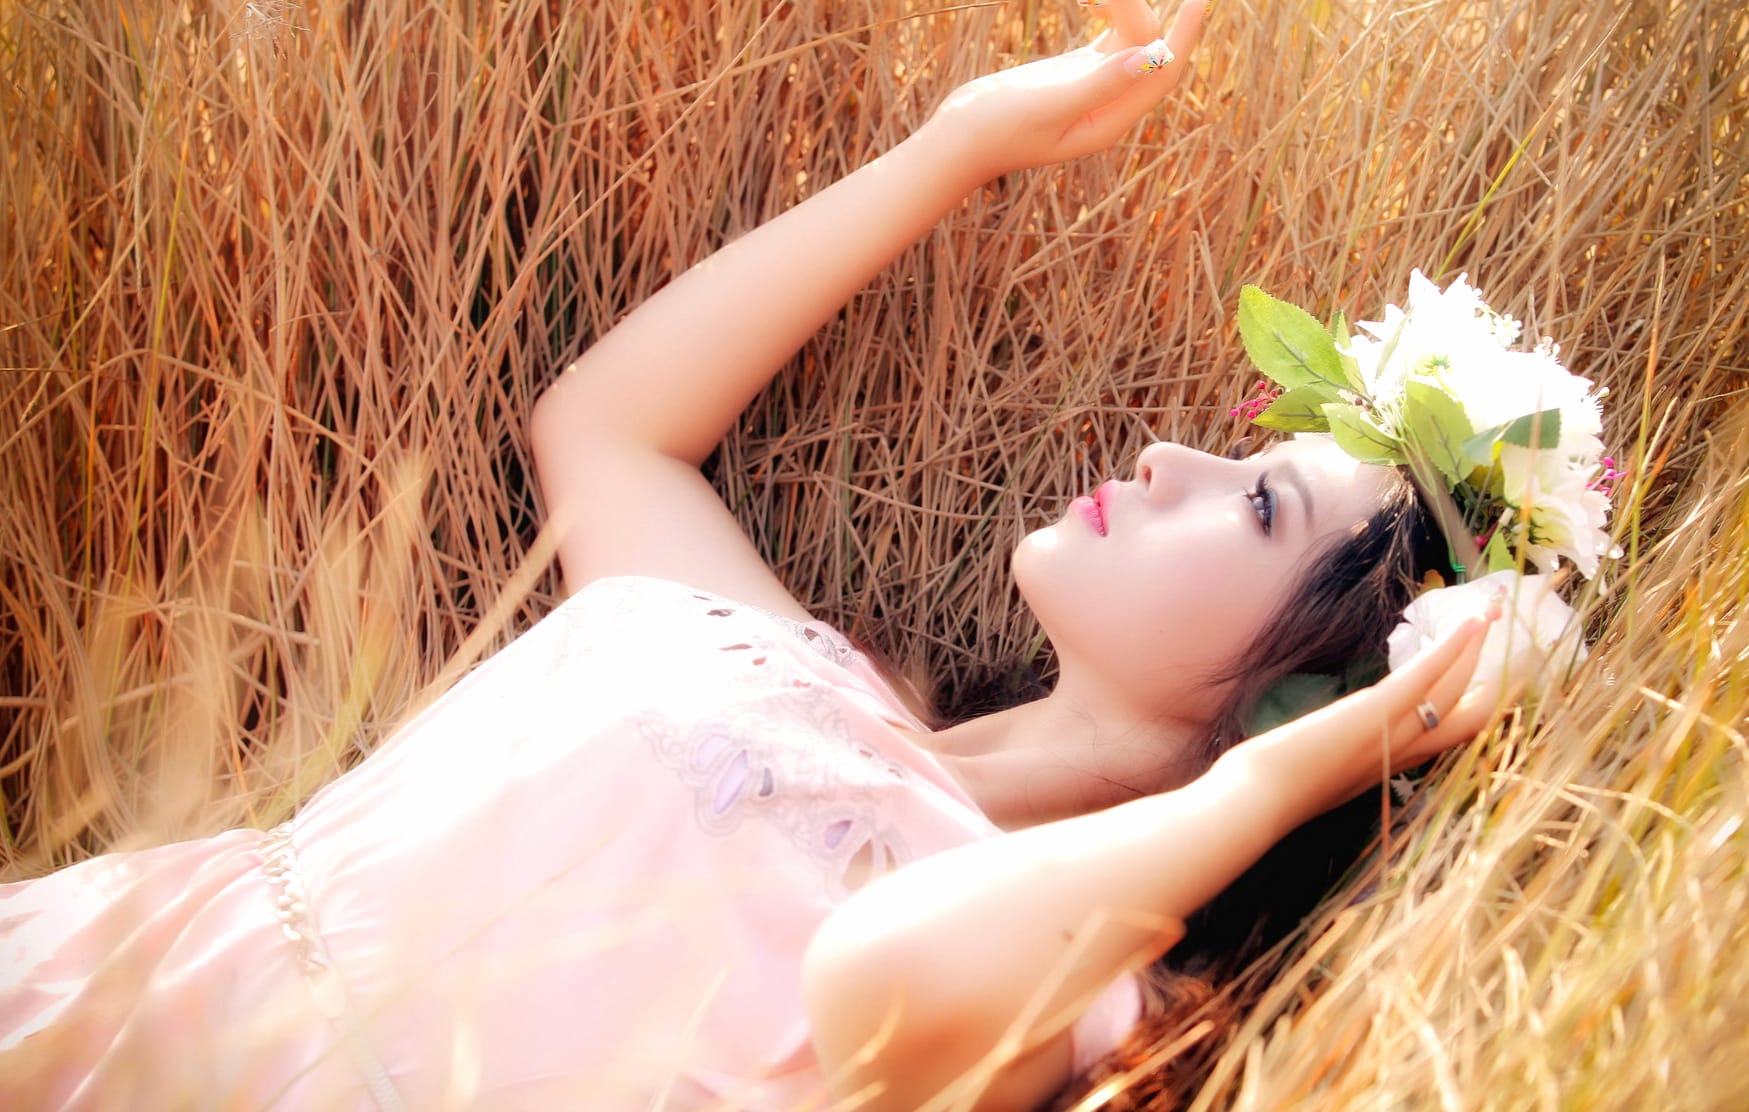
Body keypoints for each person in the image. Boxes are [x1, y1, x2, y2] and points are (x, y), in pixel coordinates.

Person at [1, 2, 1520, 1108]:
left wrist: (1333, 758)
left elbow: (883, 974)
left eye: (1255, 506)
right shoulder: (799, 669)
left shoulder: (1068, 977)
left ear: (1301, 698)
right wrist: (960, 145)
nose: (1167, 460)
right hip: (72, 975)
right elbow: (602, 428)